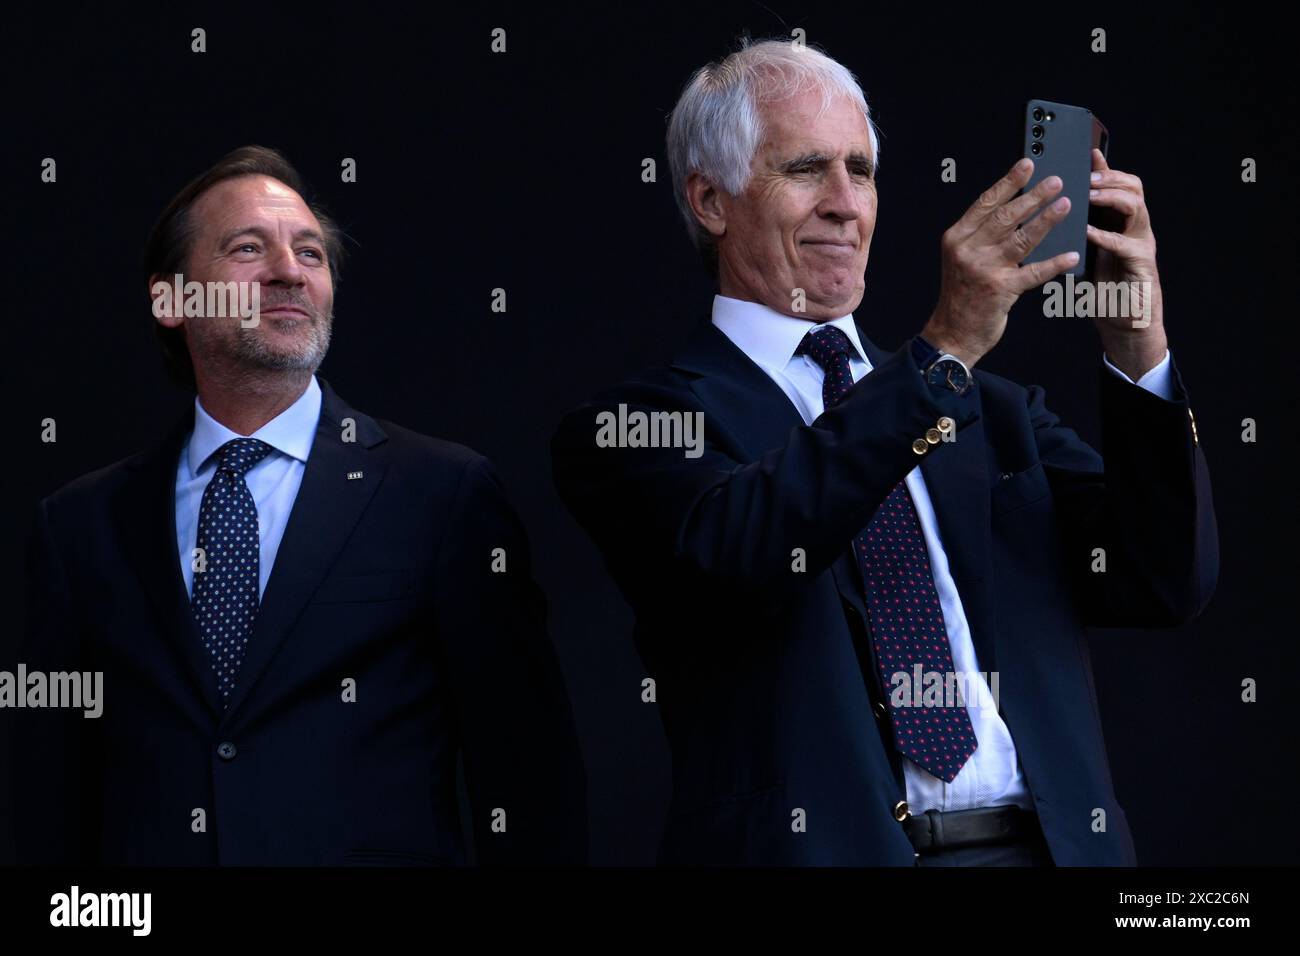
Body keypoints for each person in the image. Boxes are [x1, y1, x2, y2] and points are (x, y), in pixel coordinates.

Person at [551, 40, 1217, 866]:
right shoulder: (638, 423)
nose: (845, 204)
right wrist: (941, 355)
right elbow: (743, 550)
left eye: (861, 171)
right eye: (805, 170)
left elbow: (1162, 582)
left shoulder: (996, 414)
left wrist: (1134, 339)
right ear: (710, 200)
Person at [16, 145, 586, 865]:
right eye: (249, 248)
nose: (289, 271)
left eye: (311, 253)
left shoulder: (441, 495)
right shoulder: (81, 526)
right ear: (171, 300)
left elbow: (531, 780)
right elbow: (50, 801)